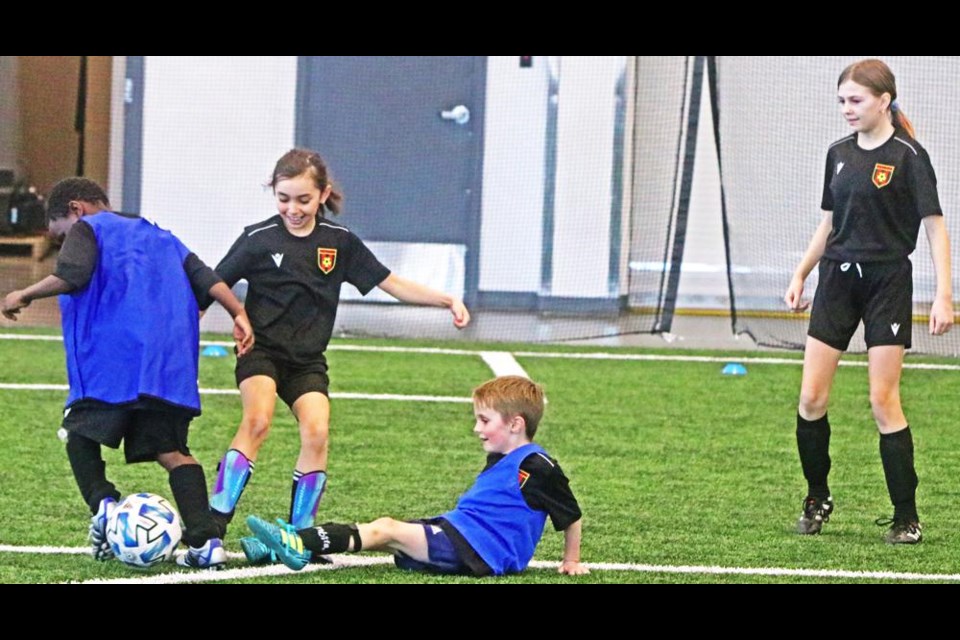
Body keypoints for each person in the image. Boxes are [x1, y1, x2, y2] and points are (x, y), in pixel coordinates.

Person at [202, 148, 470, 563]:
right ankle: (213, 528)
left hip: (307, 361)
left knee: (317, 432)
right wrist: (202, 322)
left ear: (323, 194)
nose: (293, 208)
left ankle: (299, 538)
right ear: (274, 194)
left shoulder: (339, 243)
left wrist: (446, 299)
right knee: (257, 420)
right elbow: (213, 285)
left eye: (303, 200)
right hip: (262, 352)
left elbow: (390, 282)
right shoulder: (258, 238)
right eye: (283, 198)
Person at [1, 177, 255, 569]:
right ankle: (206, 543)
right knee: (173, 452)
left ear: (76, 210)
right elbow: (207, 279)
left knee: (78, 432)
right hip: (165, 367)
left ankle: (103, 505)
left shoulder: (88, 228)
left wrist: (24, 293)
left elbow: (74, 275)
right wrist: (239, 314)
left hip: (113, 362)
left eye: (59, 234)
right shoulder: (163, 236)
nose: (62, 241)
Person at [784, 59, 953, 544]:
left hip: (887, 283)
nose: (847, 109)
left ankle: (906, 515)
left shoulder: (908, 156)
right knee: (811, 398)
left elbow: (935, 226)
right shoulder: (837, 153)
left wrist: (944, 294)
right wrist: (802, 272)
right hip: (838, 280)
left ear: (884, 101)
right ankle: (817, 497)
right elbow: (830, 222)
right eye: (842, 101)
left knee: (883, 401)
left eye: (856, 100)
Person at [245, 375, 588, 576]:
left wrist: (571, 561)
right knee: (384, 529)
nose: (476, 428)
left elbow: (570, 514)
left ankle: (294, 543)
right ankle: (285, 544)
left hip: (478, 551)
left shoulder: (537, 465)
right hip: (464, 535)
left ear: (516, 424)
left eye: (484, 421)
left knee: (386, 529)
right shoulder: (503, 457)